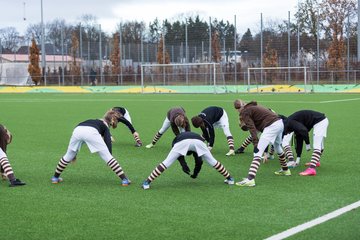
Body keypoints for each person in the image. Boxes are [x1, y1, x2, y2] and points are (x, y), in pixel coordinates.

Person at [51, 110, 131, 186]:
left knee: (68, 155)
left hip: (77, 129)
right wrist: (109, 156)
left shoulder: (94, 120)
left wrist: (74, 154)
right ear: (113, 120)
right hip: (91, 132)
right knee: (108, 157)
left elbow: (81, 132)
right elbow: (107, 141)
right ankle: (125, 180)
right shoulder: (105, 125)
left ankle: (55, 178)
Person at [142, 131, 234, 190]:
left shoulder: (177, 138)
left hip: (182, 142)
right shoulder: (196, 136)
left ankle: (147, 182)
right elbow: (199, 160)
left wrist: (183, 164)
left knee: (166, 163)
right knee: (213, 161)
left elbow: (178, 155)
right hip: (199, 142)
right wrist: (195, 172)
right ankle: (230, 178)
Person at [233, 99, 290, 187]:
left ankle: (250, 179)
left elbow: (252, 128)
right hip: (279, 123)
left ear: (237, 109)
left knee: (257, 153)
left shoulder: (245, 112)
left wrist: (255, 144)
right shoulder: (253, 106)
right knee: (277, 146)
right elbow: (259, 125)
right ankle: (286, 170)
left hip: (271, 125)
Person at [283, 110, 329, 176]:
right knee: (320, 144)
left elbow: (304, 130)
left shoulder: (290, 123)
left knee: (316, 145)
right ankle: (316, 162)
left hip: (320, 122)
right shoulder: (290, 123)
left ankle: (312, 169)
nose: (288, 133)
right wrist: (298, 157)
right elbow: (299, 137)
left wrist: (307, 144)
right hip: (321, 120)